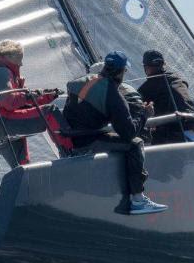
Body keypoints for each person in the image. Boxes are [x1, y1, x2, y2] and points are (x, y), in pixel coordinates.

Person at [62, 50, 167, 215]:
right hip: (87, 142)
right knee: (135, 144)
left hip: (69, 139)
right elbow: (129, 133)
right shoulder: (113, 96)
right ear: (122, 71)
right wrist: (144, 114)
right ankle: (138, 200)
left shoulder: (82, 81)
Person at [0, 40, 65, 167]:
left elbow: (21, 103)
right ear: (9, 57)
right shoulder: (1, 72)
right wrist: (31, 95)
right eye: (20, 58)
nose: (22, 63)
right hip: (4, 121)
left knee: (23, 167)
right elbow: (10, 101)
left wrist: (48, 96)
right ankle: (70, 151)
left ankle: (27, 185)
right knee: (50, 112)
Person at [137, 50, 194, 144]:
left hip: (173, 135)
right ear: (163, 64)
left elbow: (134, 105)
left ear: (146, 67)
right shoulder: (178, 79)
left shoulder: (149, 87)